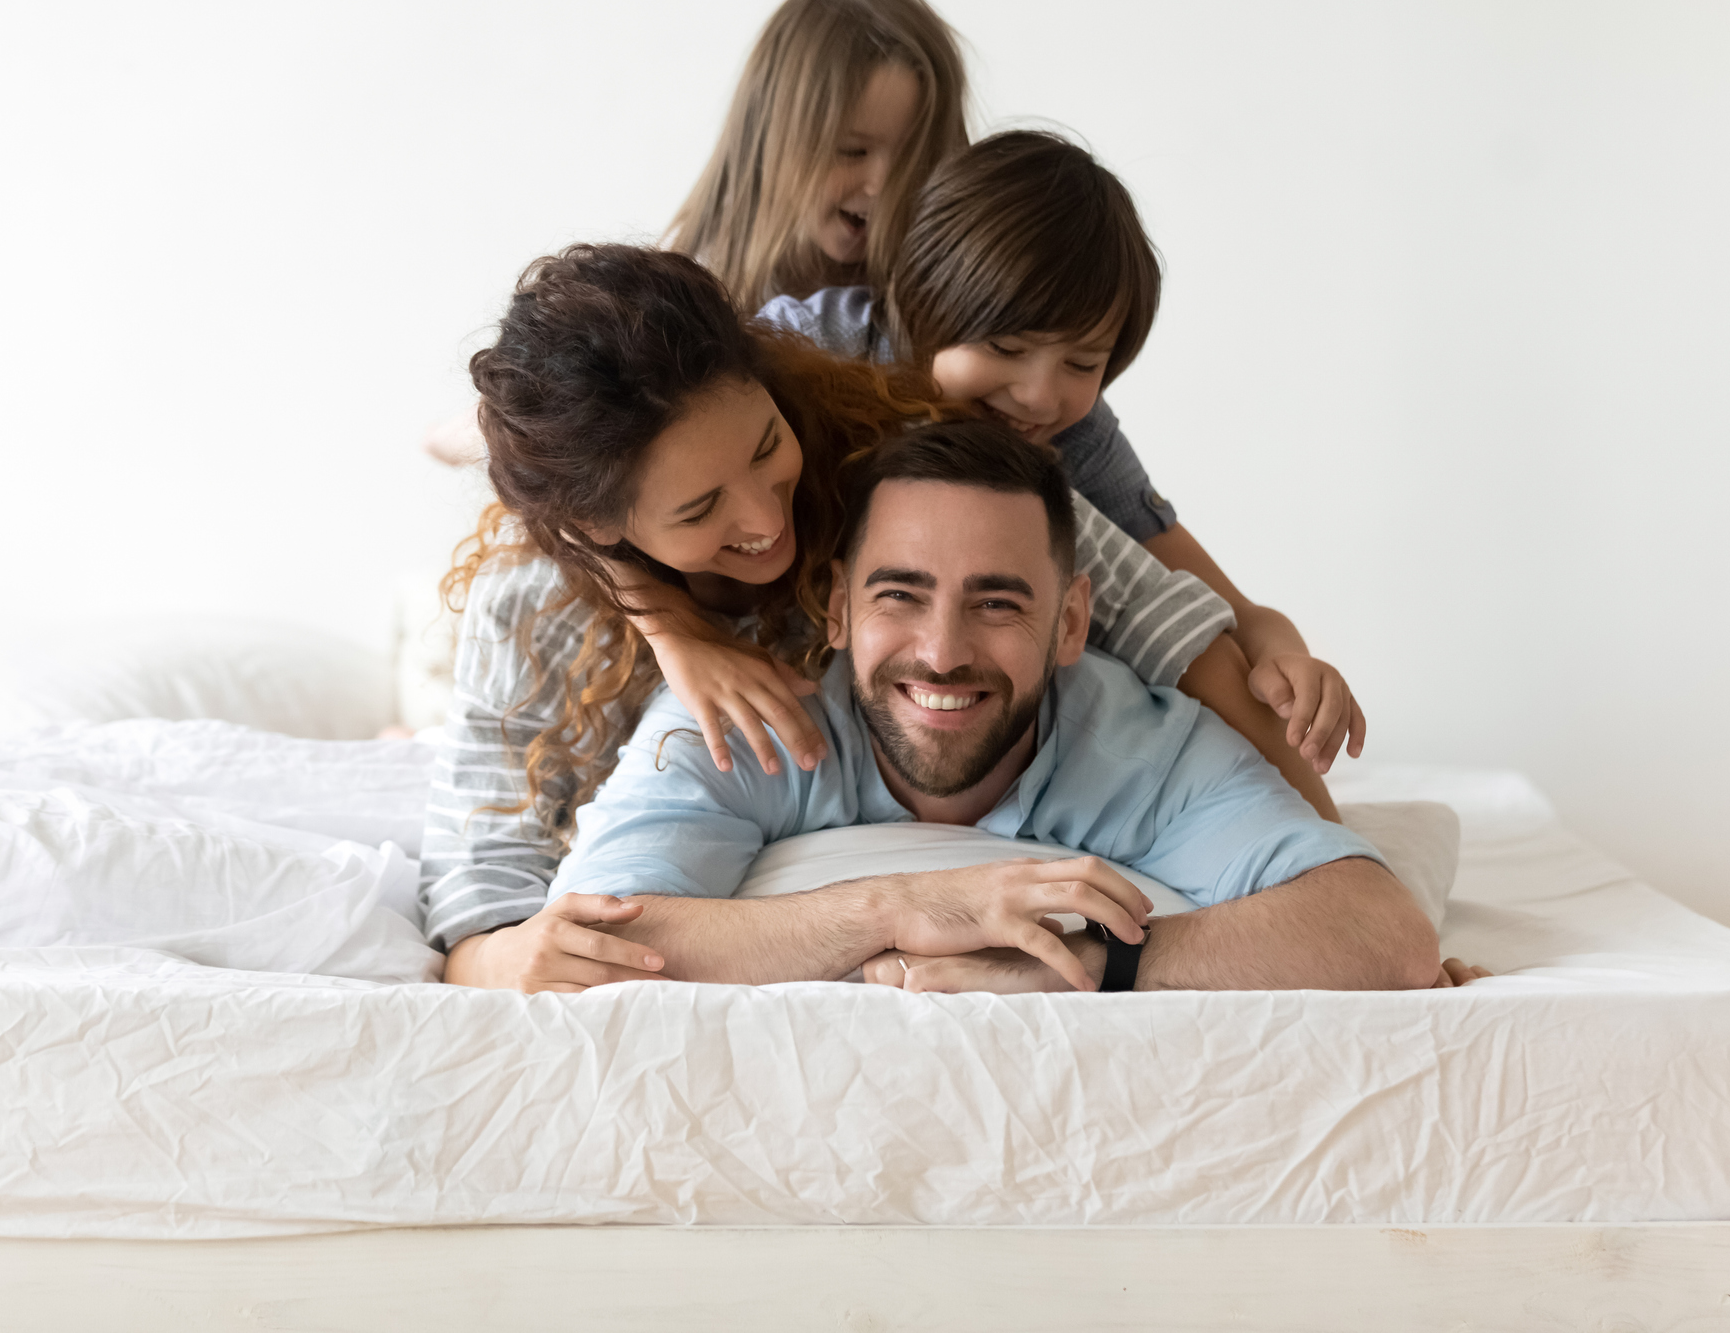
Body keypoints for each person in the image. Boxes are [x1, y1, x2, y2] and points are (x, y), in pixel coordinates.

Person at [427, 245, 1236, 991]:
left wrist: (1306, 796)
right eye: (702, 507)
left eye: (764, 446)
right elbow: (479, 892)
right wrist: (507, 954)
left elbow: (1134, 604)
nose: (764, 519)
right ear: (602, 530)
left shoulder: (878, 465)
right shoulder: (531, 610)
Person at [549, 419, 1451, 995]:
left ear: (1071, 625)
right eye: (898, 595)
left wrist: (1078, 966)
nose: (942, 652)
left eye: (997, 603)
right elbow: (583, 943)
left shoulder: (1145, 749)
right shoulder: (736, 723)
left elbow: (1384, 936)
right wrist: (902, 907)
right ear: (835, 608)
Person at [760, 131, 1364, 812]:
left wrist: (1282, 650)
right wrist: (678, 639)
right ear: (920, 300)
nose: (1040, 396)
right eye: (1006, 348)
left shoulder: (1069, 432)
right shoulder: (810, 350)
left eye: (1082, 364)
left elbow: (1211, 603)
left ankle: (1309, 838)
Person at [666, 0, 969, 310]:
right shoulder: (698, 289)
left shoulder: (948, 291)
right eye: (852, 151)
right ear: (771, 141)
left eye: (915, 158)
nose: (881, 184)